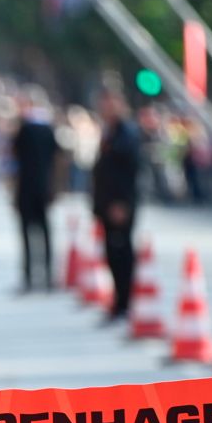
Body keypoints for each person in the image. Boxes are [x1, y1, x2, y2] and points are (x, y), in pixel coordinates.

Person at [91, 87, 140, 323]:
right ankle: (118, 301)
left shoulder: (126, 133)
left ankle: (125, 302)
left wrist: (121, 203)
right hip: (106, 204)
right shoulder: (110, 132)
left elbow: (127, 170)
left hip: (120, 204)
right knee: (111, 254)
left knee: (122, 254)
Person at [10, 90, 59, 292]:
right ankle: (47, 276)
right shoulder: (48, 130)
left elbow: (14, 162)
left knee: (28, 234)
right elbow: (58, 160)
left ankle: (30, 277)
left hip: (27, 189)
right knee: (45, 233)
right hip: (43, 187)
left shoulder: (23, 130)